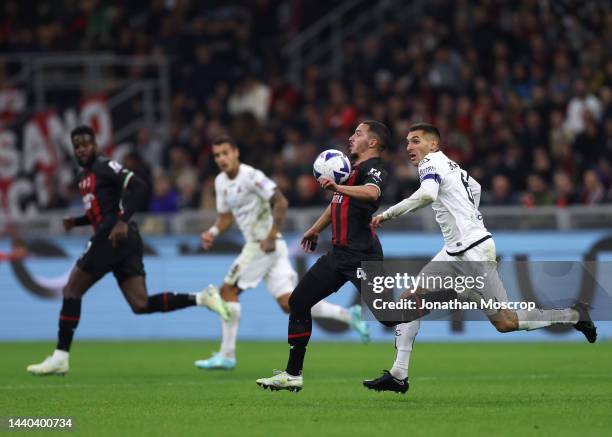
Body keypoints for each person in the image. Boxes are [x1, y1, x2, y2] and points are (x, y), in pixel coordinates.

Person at [362, 123, 597, 394]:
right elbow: (475, 187)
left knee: (505, 323)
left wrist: (387, 214)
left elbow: (427, 195)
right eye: (407, 142)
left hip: (474, 251)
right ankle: (398, 374)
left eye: (415, 141)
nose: (409, 147)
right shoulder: (453, 168)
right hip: (453, 250)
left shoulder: (430, 163)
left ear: (433, 145)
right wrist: (469, 217)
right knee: (408, 300)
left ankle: (574, 314)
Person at [27, 126, 229, 376]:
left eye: (86, 144)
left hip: (112, 237)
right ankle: (201, 298)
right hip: (124, 239)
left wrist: (122, 220)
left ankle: (60, 357)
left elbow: (140, 187)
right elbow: (100, 213)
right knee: (140, 304)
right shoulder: (84, 177)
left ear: (95, 145)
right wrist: (77, 221)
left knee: (71, 289)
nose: (81, 149)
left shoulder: (105, 166)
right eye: (77, 145)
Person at [195, 137, 369, 371]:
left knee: (227, 291)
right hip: (270, 246)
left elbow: (281, 202)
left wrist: (271, 233)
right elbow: (226, 217)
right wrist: (213, 231)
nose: (222, 159)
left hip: (262, 244)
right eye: (217, 155)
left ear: (236, 152)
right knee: (290, 303)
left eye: (225, 153)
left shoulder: (251, 176)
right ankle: (347, 315)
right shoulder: (220, 182)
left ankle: (227, 354)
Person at [256, 121, 391, 392]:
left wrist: (337, 188)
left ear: (373, 142)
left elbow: (372, 194)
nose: (352, 137)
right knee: (298, 301)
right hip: (338, 255)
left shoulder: (373, 169)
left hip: (364, 257)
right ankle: (293, 374)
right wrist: (315, 229)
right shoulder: (349, 171)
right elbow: (336, 204)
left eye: (358, 133)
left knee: (388, 316)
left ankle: (446, 295)